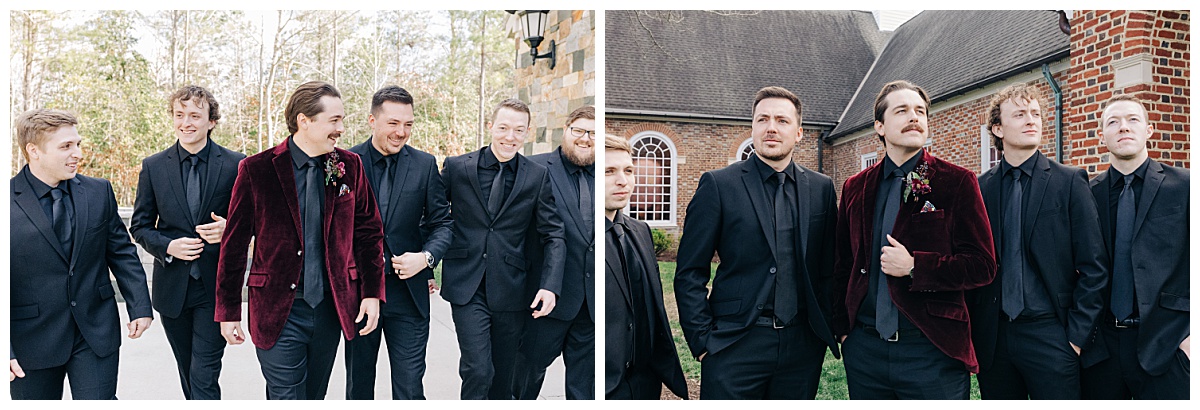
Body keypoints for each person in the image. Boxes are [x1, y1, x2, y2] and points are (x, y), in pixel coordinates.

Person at [214, 81, 385, 400]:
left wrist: (372, 293)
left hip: (330, 309)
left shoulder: (349, 166)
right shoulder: (256, 169)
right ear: (304, 120)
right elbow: (234, 246)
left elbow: (369, 233)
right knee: (285, 396)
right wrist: (228, 310)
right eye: (334, 120)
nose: (341, 128)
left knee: (313, 396)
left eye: (342, 119)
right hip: (278, 309)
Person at [832, 80, 995, 400]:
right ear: (879, 126)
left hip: (930, 349)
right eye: (902, 110)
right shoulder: (855, 187)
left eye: (920, 111)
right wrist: (843, 329)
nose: (914, 117)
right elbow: (843, 262)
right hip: (865, 352)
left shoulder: (956, 182)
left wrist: (915, 267)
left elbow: (982, 265)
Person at [675, 86, 840, 399]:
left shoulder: (821, 189)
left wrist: (826, 328)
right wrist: (702, 342)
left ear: (799, 132)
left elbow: (829, 266)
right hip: (735, 343)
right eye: (762, 119)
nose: (771, 127)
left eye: (781, 120)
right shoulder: (719, 185)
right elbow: (689, 271)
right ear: (752, 128)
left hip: (803, 345)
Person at [968, 83, 1107, 399]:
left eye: (1036, 113)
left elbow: (1094, 266)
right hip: (995, 339)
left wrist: (1075, 338)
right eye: (1019, 114)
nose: (1031, 120)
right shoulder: (979, 188)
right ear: (998, 129)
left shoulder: (1070, 182)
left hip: (1052, 335)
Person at [9, 108, 153, 399]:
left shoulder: (98, 191)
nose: (77, 153)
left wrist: (140, 305)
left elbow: (121, 252)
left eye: (77, 144)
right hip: (30, 340)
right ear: (33, 151)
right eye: (65, 147)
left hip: (96, 330)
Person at [439, 98, 565, 400]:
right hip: (466, 283)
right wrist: (427, 264)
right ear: (490, 126)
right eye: (504, 128)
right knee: (477, 368)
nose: (510, 137)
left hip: (512, 288)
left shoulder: (536, 176)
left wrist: (550, 286)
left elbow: (554, 233)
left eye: (518, 130)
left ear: (527, 133)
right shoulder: (457, 168)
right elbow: (432, 218)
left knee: (502, 376)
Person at [128, 85, 244, 400]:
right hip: (172, 289)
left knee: (204, 374)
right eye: (180, 115)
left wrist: (230, 229)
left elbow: (256, 222)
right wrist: (168, 247)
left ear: (211, 121)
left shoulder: (236, 164)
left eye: (195, 115)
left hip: (215, 287)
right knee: (188, 370)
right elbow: (139, 226)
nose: (186, 122)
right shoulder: (153, 166)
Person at [343, 85, 452, 399]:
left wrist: (427, 258)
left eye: (408, 124)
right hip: (360, 294)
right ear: (372, 121)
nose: (401, 131)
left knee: (409, 388)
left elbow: (442, 224)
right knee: (359, 386)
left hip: (409, 294)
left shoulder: (424, 164)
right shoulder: (344, 163)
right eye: (393, 123)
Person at [1080, 94, 1190, 400]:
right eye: (1112, 122)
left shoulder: (1185, 186)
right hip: (1101, 348)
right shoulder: (1087, 194)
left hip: (1169, 342)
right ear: (1102, 135)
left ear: (1149, 130)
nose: (1123, 128)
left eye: (1132, 120)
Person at [513, 105, 597, 400]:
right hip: (545, 298)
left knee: (584, 389)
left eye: (594, 133)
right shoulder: (534, 168)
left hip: (592, 305)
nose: (586, 138)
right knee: (525, 378)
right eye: (579, 130)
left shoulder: (607, 176)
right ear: (566, 131)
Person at [604, 135, 688, 400]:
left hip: (645, 383)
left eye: (628, 170)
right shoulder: (581, 233)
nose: (623, 180)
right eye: (609, 171)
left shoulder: (641, 231)